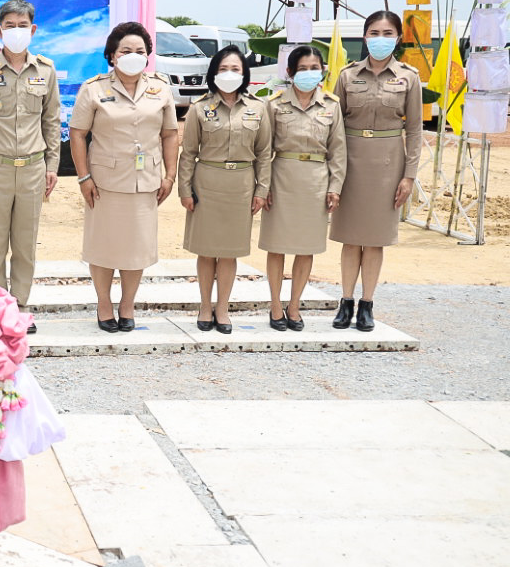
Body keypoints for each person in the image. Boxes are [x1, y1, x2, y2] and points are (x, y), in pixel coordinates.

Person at [67, 21, 180, 333]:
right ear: (112, 55)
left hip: (147, 181)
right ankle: (104, 303)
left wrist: (170, 175)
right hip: (104, 183)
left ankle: (127, 304)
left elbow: (170, 134)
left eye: (140, 51)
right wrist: (83, 177)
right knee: (103, 246)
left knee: (136, 248)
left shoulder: (160, 87)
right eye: (126, 50)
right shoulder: (94, 88)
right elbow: (78, 134)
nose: (134, 55)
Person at [0, 0, 61, 334]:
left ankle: (18, 307)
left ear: (32, 30)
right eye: (10, 26)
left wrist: (52, 165)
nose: (16, 31)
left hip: (33, 168)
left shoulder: (45, 71)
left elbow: (51, 122)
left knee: (25, 244)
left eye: (22, 26)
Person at [329, 10, 423, 332]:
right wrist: (333, 172)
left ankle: (367, 304)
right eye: (374, 33)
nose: (380, 39)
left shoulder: (409, 77)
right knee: (350, 238)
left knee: (374, 239)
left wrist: (409, 175)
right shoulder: (347, 75)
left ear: (398, 38)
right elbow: (334, 125)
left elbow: (414, 129)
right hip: (350, 162)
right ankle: (346, 301)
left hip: (387, 164)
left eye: (387, 33)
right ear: (365, 36)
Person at [177, 46, 272, 334]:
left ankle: (222, 309)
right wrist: (185, 189)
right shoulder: (199, 108)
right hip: (207, 184)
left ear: (244, 74)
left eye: (235, 69)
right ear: (213, 73)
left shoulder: (258, 108)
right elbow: (188, 152)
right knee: (206, 251)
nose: (229, 74)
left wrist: (262, 190)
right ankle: (205, 307)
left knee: (230, 253)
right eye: (223, 69)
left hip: (241, 185)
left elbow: (264, 153)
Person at [259, 46, 346, 331]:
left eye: (314, 68)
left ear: (322, 70)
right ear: (290, 72)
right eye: (303, 69)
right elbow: (263, 150)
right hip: (281, 178)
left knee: (306, 248)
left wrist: (335, 186)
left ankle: (294, 306)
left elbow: (338, 150)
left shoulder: (331, 105)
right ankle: (275, 305)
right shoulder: (274, 105)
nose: (309, 73)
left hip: (316, 182)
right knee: (276, 246)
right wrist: (263, 186)